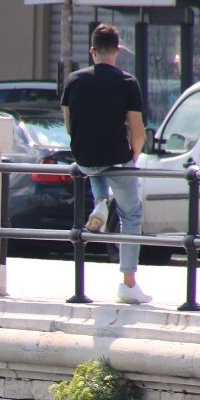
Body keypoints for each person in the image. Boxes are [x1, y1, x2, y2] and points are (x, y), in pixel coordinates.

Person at [62, 24, 150, 305]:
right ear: (118, 51)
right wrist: (134, 154)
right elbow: (137, 130)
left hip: (85, 158)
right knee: (131, 215)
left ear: (92, 51)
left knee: (94, 166)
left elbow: (69, 126)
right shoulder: (127, 82)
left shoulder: (74, 80)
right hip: (116, 158)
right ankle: (128, 283)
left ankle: (101, 200)